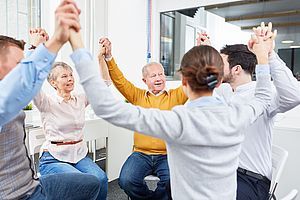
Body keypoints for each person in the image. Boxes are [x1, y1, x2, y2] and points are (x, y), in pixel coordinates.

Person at [71, 28, 272, 199]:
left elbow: (106, 107)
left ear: (183, 82)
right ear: (219, 82)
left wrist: (77, 45)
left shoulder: (176, 122)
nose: (158, 78)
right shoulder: (238, 115)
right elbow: (263, 97)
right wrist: (262, 58)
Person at [0, 1, 101, 199]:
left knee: (93, 181)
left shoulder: (77, 98)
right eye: (20, 63)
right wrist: (51, 41)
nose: (70, 79)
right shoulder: (33, 99)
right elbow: (24, 82)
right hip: (20, 194)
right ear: (53, 83)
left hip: (33, 184)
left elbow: (101, 85)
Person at [212, 23, 300, 200]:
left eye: (220, 64)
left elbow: (294, 95)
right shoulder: (224, 91)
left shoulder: (263, 93)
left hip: (251, 180)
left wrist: (269, 54)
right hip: (226, 172)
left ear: (236, 69)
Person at [98, 37, 188, 199]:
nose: (159, 78)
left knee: (173, 182)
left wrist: (202, 50)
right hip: (141, 154)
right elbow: (120, 81)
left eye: (161, 74)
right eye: (153, 75)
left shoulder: (177, 95)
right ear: (144, 80)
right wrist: (109, 57)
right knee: (126, 180)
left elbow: (194, 77)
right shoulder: (137, 96)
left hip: (168, 154)